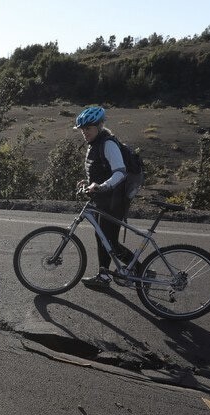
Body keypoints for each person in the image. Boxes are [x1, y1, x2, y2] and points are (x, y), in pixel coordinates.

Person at [74, 106, 133, 289]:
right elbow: (101, 171)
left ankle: (140, 269)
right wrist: (89, 182)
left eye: (88, 128)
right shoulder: (95, 144)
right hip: (104, 199)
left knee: (109, 241)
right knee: (103, 238)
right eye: (82, 129)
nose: (85, 132)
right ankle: (105, 275)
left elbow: (120, 172)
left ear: (99, 126)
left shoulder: (108, 144)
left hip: (115, 200)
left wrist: (101, 186)